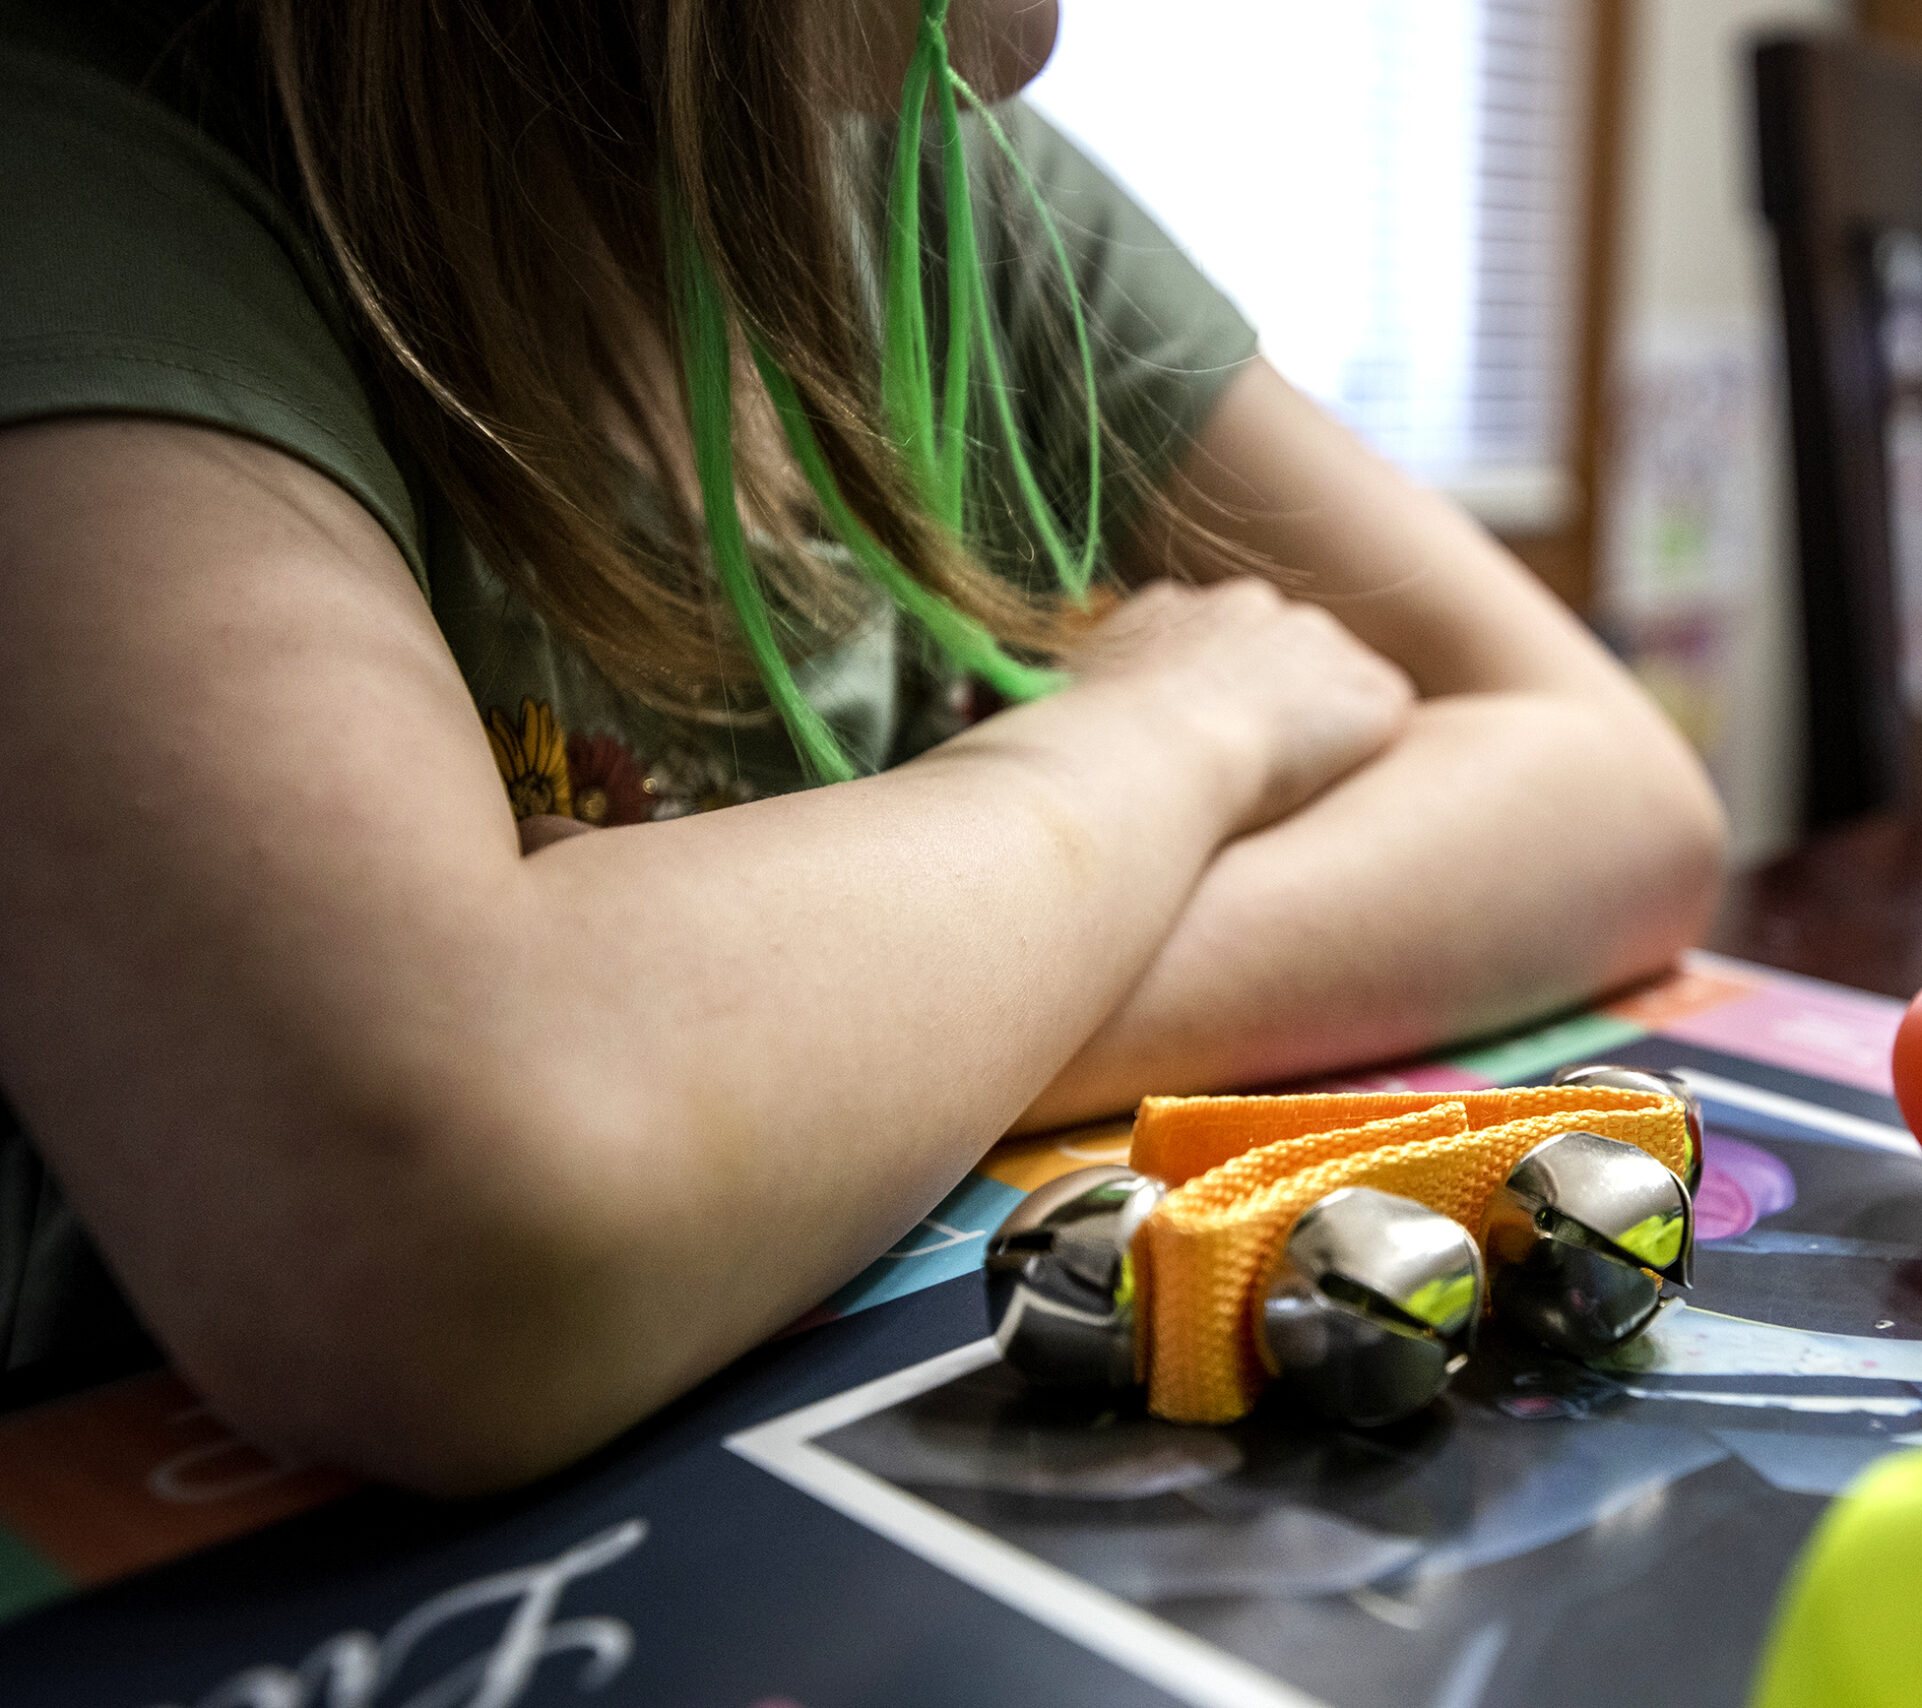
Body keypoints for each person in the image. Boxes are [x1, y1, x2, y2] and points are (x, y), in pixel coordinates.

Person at [0, 0, 1723, 1493]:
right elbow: (419, 1236)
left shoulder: (937, 173)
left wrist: (808, 1048)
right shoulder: (83, 184)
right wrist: (1163, 742)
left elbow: (1615, 789)